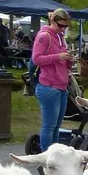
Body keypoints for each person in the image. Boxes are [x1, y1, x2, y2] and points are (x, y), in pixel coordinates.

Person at [31, 9, 76, 152]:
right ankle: (46, 155)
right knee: (49, 126)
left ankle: (55, 153)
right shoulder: (44, 36)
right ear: (52, 21)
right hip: (48, 86)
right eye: (60, 25)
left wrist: (69, 60)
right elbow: (36, 59)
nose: (62, 29)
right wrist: (58, 57)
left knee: (57, 125)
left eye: (65, 26)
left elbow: (62, 61)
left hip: (61, 86)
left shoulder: (60, 37)